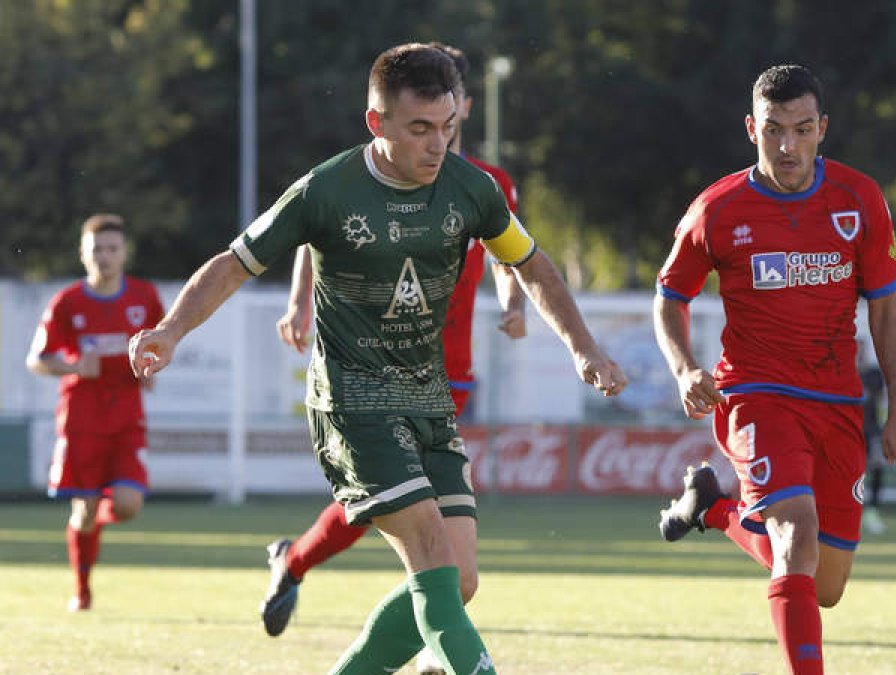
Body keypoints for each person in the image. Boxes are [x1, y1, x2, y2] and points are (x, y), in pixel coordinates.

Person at [128, 43, 625, 674]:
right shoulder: (326, 189)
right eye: (419, 129)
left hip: (429, 396)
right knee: (434, 564)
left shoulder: (472, 188)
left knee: (461, 579)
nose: (437, 144)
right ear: (377, 122)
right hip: (352, 400)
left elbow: (529, 263)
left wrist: (584, 348)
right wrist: (171, 331)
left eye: (446, 127)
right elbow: (234, 263)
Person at [260, 42, 529, 675]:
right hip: (368, 379)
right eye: (428, 115)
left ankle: (433, 629)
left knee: (451, 568)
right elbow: (318, 229)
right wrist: (301, 303)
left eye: (455, 105)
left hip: (443, 372)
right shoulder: (358, 179)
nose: (444, 122)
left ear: (463, 105)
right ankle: (301, 565)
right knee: (410, 527)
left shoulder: (485, 184)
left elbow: (512, 250)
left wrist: (512, 301)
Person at [651, 64, 896, 674]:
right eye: (774, 130)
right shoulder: (716, 210)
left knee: (824, 586)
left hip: (837, 401)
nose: (788, 146)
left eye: (802, 130)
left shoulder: (859, 199)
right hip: (756, 394)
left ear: (822, 128)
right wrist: (683, 368)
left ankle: (713, 506)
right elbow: (670, 297)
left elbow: (885, 310)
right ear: (752, 127)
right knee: (795, 538)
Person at [26, 213, 164, 612]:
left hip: (126, 417)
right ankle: (82, 590)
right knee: (82, 511)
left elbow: (160, 345)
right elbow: (36, 359)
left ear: (124, 253)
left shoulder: (144, 297)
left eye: (111, 249)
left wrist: (152, 367)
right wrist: (71, 367)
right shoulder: (67, 302)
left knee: (127, 505)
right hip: (81, 418)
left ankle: (96, 523)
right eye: (96, 250)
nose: (104, 257)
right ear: (83, 255)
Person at [858, 344, 887, 535]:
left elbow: (880, 398)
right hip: (848, 432)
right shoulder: (841, 373)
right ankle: (855, 511)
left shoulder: (873, 375)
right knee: (852, 473)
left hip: (871, 431)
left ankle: (872, 511)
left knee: (876, 468)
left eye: (861, 350)